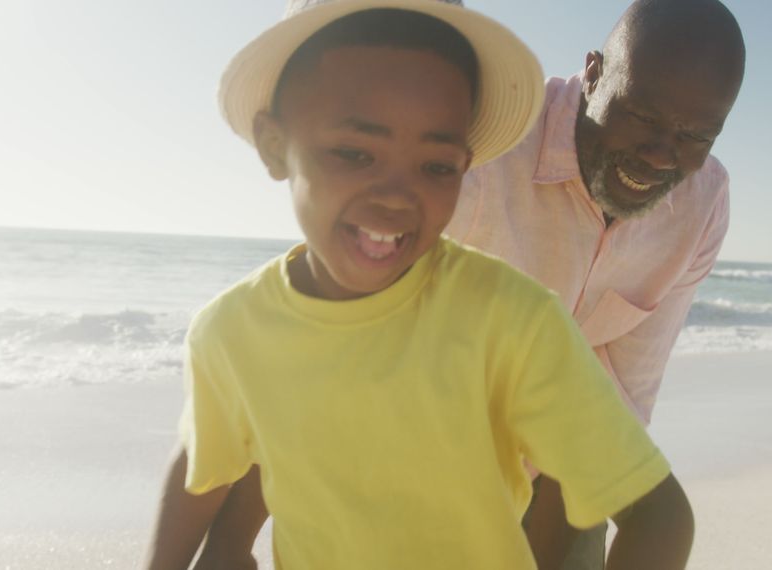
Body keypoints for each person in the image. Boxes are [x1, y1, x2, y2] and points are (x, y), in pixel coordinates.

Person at [143, 1, 693, 569]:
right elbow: (207, 464)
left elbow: (658, 512)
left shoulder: (513, 322)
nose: (395, 195)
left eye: (435, 166)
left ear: (467, 165)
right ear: (274, 145)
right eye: (354, 153)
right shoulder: (230, 332)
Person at [445, 0, 746, 566]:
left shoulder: (704, 203)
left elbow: (626, 393)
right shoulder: (491, 141)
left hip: (567, 449)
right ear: (593, 74)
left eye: (695, 136)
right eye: (643, 117)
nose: (661, 156)